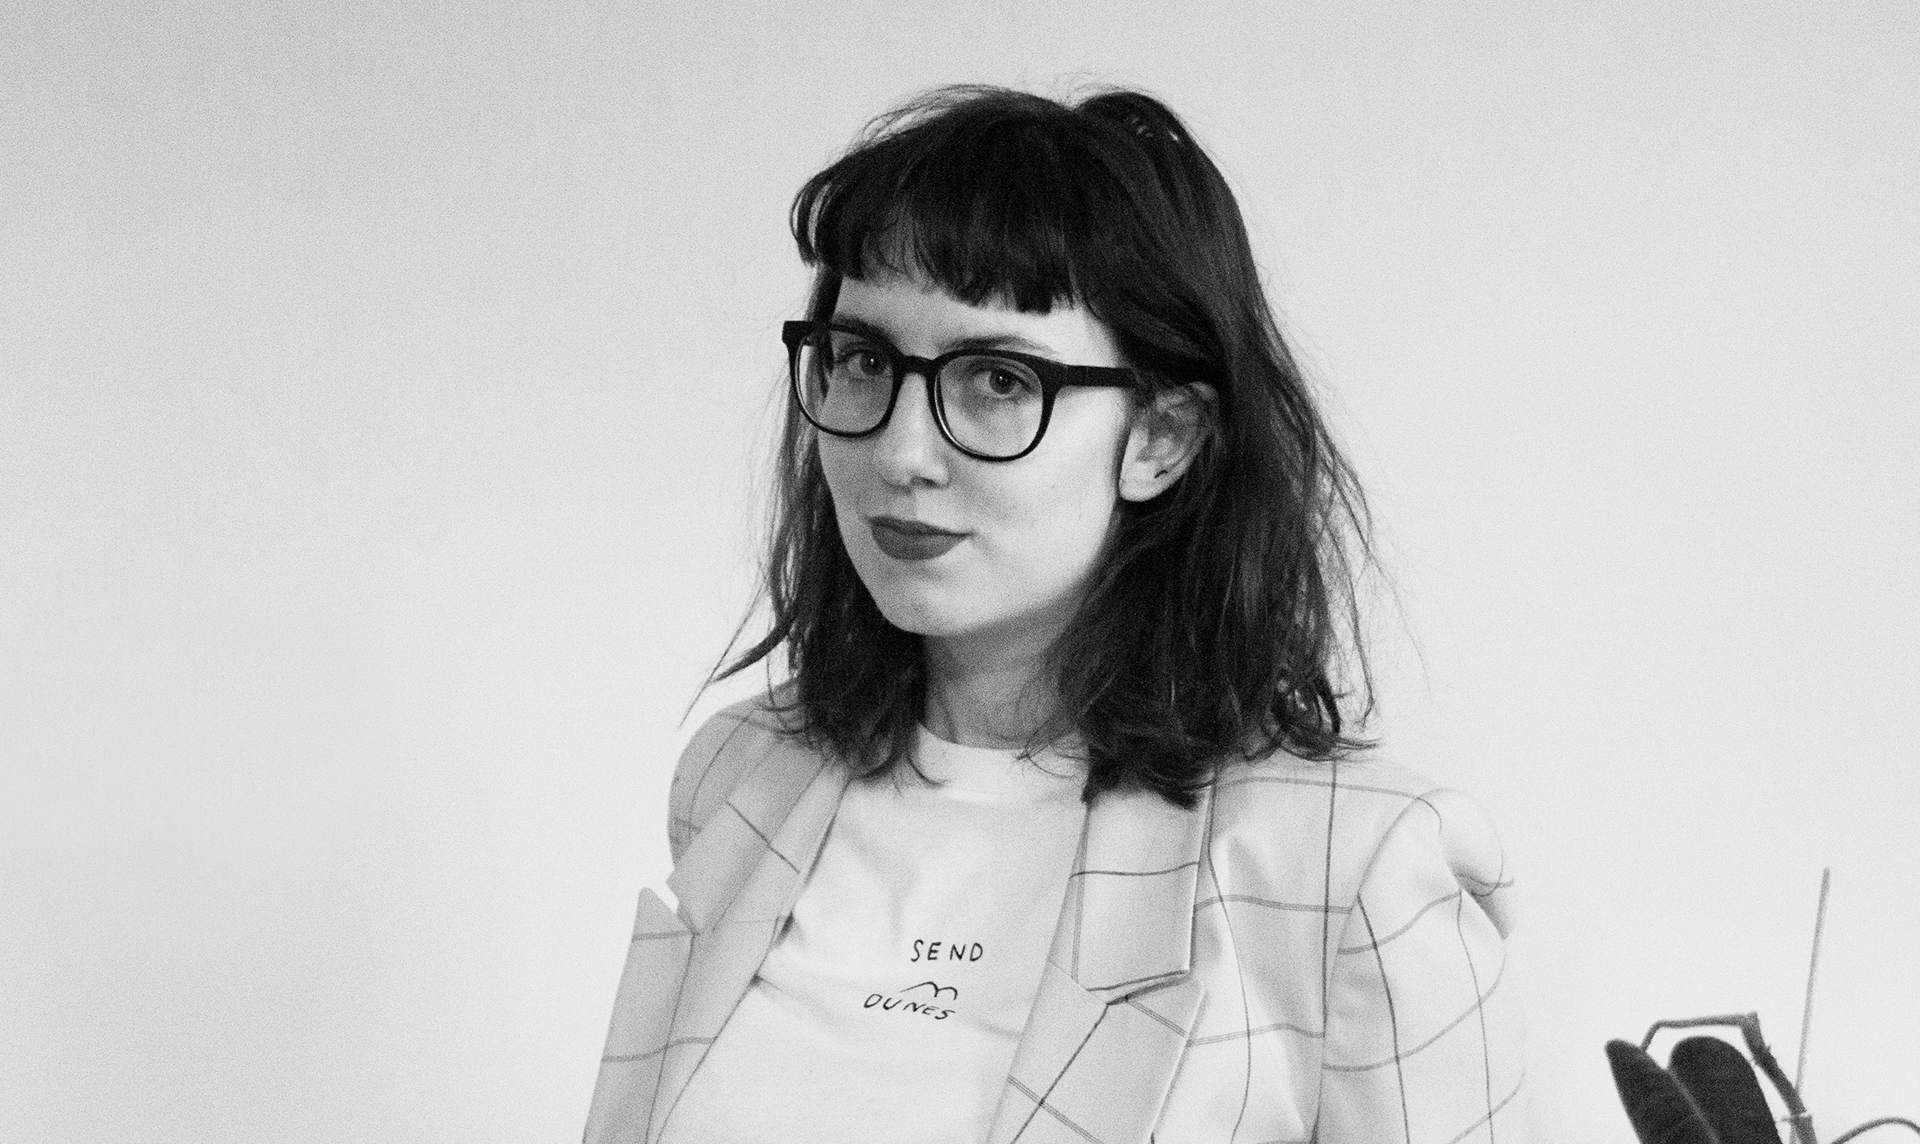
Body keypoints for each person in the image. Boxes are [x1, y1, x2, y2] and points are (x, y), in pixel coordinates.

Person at [585, 84, 1525, 1144]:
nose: (900, 452)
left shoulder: (1351, 873)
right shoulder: (740, 771)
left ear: (1162, 438)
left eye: (997, 379)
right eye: (865, 362)